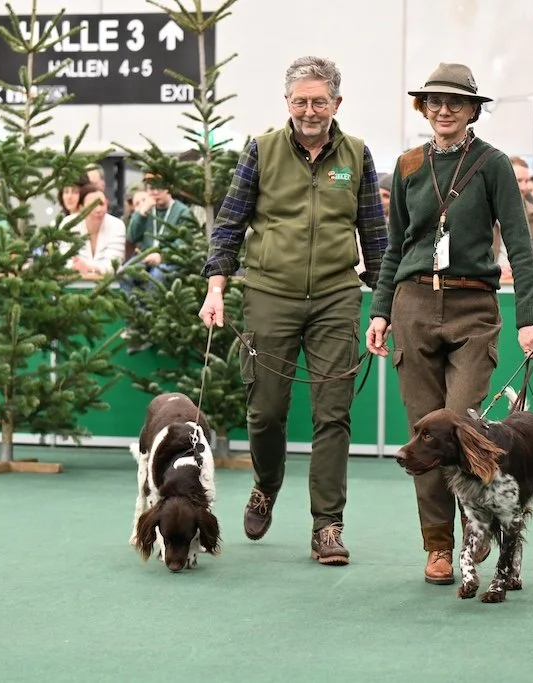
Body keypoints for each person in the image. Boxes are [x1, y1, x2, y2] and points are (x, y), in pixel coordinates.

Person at [198, 55, 387, 566]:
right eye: (300, 101)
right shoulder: (260, 150)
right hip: (269, 295)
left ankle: (328, 525)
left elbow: (375, 236)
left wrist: (382, 307)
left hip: (335, 297)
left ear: (336, 104)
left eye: (319, 101)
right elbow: (230, 225)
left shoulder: (358, 155)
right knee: (265, 412)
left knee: (333, 415)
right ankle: (266, 485)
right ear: (287, 103)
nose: (309, 110)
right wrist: (216, 287)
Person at [364, 63, 533, 586]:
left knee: (463, 427)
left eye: (455, 103)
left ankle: (477, 527)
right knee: (425, 437)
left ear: (473, 110)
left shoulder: (493, 165)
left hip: (474, 308)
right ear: (424, 108)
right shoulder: (408, 164)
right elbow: (394, 246)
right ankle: (439, 546)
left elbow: (520, 245)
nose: (443, 110)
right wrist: (379, 310)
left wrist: (527, 318)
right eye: (434, 102)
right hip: (412, 305)